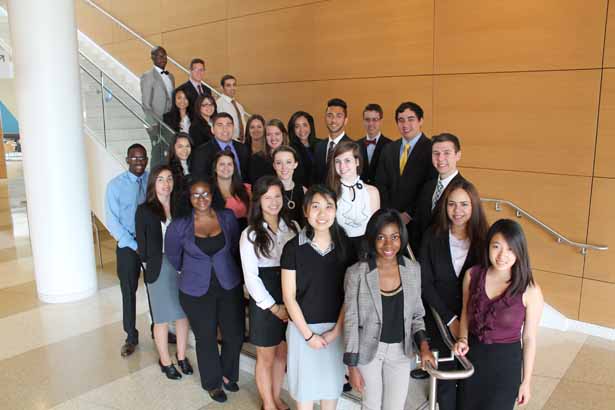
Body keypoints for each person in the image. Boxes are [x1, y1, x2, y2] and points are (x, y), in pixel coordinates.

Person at [344, 209, 436, 410]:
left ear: (401, 237)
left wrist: (424, 347)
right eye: (381, 237)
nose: (388, 244)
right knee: (371, 405)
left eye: (394, 237)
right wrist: (351, 367)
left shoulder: (413, 269)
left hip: (401, 352)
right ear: (372, 239)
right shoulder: (356, 273)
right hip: (368, 352)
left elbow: (417, 315)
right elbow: (350, 321)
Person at [165, 179, 245, 403]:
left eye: (205, 194)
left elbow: (235, 247)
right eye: (195, 195)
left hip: (228, 284)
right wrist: (192, 270)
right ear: (188, 198)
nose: (201, 199)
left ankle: (229, 374)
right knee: (206, 337)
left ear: (213, 194)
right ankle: (213, 383)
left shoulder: (227, 217)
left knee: (234, 333)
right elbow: (173, 256)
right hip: (195, 290)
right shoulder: (179, 225)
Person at [453, 219, 544, 410]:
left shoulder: (530, 290)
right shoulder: (472, 275)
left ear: (519, 252)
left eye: (510, 249)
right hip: (472, 361)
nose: (503, 255)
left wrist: (526, 382)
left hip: (505, 366)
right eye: (496, 246)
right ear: (488, 247)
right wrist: (462, 339)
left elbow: (529, 339)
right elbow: (465, 313)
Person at [281, 185, 353, 410]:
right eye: (316, 207)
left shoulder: (346, 246)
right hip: (302, 330)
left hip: (335, 330)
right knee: (305, 391)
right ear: (305, 211)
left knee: (331, 389)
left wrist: (337, 330)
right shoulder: (293, 248)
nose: (322, 214)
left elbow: (349, 294)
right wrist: (308, 336)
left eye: (328, 207)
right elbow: (289, 297)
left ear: (335, 210)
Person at [418, 179, 488, 410]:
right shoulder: (432, 236)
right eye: (452, 204)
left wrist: (465, 324)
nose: (457, 211)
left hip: (475, 322)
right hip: (439, 320)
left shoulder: (484, 241)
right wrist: (450, 320)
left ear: (474, 206)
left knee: (471, 382)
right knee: (445, 387)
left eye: (464, 205)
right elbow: (425, 283)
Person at [240, 176, 299, 410]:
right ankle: (268, 403)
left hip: (289, 295)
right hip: (265, 301)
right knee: (265, 357)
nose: (273, 202)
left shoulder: (293, 227)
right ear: (259, 201)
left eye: (277, 196)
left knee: (282, 355)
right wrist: (275, 308)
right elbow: (251, 279)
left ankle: (275, 397)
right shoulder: (250, 234)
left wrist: (289, 305)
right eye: (267, 197)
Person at [135, 165, 193, 380]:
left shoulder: (181, 207)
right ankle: (165, 360)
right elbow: (142, 246)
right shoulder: (144, 210)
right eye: (160, 179)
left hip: (183, 266)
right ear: (153, 183)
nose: (166, 183)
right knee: (161, 317)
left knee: (181, 314)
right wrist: (149, 264)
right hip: (159, 266)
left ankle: (181, 356)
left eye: (169, 179)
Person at [105, 144, 149, 357]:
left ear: (147, 159)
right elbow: (112, 221)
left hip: (151, 244)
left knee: (156, 289)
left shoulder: (153, 180)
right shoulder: (115, 186)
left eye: (142, 158)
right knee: (128, 291)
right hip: (128, 244)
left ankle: (160, 328)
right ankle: (131, 336)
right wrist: (133, 245)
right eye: (134, 158)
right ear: (127, 159)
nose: (139, 161)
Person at [375, 101, 436, 250]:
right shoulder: (389, 149)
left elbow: (430, 185)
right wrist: (390, 213)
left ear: (421, 121)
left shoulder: (431, 149)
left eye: (411, 119)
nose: (405, 124)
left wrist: (409, 214)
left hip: (417, 222)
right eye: (401, 120)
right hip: (390, 220)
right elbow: (381, 183)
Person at [412, 133, 467, 251]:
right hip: (422, 257)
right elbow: (418, 223)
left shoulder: (465, 190)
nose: (440, 158)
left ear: (458, 155)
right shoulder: (428, 186)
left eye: (447, 153)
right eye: (436, 153)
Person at [326, 141, 379, 249]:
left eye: (347, 160)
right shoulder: (329, 193)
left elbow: (376, 229)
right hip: (338, 249)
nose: (342, 166)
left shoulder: (372, 192)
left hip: (366, 251)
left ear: (357, 162)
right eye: (338, 161)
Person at [140, 46, 175, 167]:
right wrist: (154, 123)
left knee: (169, 151)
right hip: (156, 122)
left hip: (169, 121)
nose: (163, 59)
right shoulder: (147, 76)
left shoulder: (170, 76)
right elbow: (146, 104)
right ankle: (154, 179)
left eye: (165, 56)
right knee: (157, 151)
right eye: (160, 56)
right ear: (153, 58)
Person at [191, 112, 251, 181]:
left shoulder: (243, 148)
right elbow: (200, 179)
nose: (225, 129)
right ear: (212, 130)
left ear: (233, 128)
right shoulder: (201, 152)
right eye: (220, 125)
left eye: (228, 125)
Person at [311, 98, 351, 185]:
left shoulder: (352, 147)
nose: (333, 120)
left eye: (339, 116)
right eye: (330, 115)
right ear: (325, 118)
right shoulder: (319, 146)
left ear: (345, 120)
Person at [212, 150, 252, 230]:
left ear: (234, 168)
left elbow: (253, 218)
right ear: (215, 168)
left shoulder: (247, 189)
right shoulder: (209, 192)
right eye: (222, 164)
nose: (226, 167)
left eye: (229, 164)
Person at [358, 104, 391, 186]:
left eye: (375, 120)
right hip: (360, 193)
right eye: (367, 120)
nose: (370, 123)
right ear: (363, 121)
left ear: (381, 121)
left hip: (381, 195)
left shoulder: (391, 146)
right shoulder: (355, 145)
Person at [272, 145, 306, 226]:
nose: (284, 167)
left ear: (295, 164)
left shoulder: (304, 191)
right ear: (274, 166)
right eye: (279, 163)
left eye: (288, 162)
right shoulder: (268, 192)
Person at [250, 119, 289, 184]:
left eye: (277, 134)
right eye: (269, 134)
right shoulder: (256, 159)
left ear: (283, 135)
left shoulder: (293, 155)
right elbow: (256, 185)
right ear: (265, 137)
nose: (273, 138)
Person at [288, 111, 319, 187]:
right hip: (302, 192)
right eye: (297, 126)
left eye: (305, 125)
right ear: (293, 130)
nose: (302, 130)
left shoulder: (322, 145)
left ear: (310, 126)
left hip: (323, 190)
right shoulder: (290, 150)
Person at [166, 132, 193, 217]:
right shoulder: (169, 170)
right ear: (173, 148)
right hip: (181, 214)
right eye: (180, 146)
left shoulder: (196, 165)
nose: (184, 150)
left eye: (187, 146)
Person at [216, 74, 247, 141]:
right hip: (228, 142)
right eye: (228, 85)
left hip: (242, 142)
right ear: (222, 87)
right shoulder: (219, 104)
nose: (232, 88)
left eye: (234, 85)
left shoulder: (239, 106)